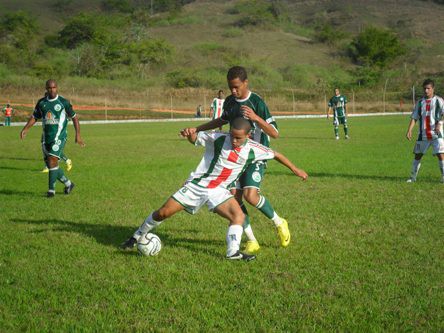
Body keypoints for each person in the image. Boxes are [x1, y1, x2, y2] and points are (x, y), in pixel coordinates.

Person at [121, 117, 308, 261]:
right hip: (197, 185)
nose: (233, 140)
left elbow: (276, 154)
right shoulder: (218, 138)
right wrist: (190, 134)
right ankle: (136, 236)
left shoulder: (253, 149)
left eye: (238, 138)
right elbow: (196, 139)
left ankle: (232, 252)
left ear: (248, 136)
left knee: (238, 216)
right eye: (232, 136)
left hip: (219, 191)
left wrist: (295, 169)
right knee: (163, 213)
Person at [180, 66, 289, 255]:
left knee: (250, 196)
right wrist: (197, 129)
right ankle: (252, 240)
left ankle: (279, 222)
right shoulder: (230, 102)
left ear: (246, 83)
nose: (233, 91)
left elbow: (275, 133)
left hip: (255, 155)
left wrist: (256, 118)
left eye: (237, 87)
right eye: (231, 87)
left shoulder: (257, 102)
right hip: (234, 156)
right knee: (234, 197)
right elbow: (221, 121)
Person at [20, 79, 85, 197]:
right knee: (51, 164)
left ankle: (51, 191)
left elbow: (74, 117)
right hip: (46, 138)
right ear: (46, 89)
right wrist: (26, 128)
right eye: (49, 88)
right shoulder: (41, 103)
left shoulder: (63, 102)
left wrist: (78, 135)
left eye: (54, 87)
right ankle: (69, 184)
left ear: (57, 88)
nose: (52, 90)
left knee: (52, 160)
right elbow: (35, 117)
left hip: (59, 137)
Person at [406, 78, 444, 183]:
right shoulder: (420, 102)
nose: (426, 91)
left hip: (437, 134)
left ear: (433, 89)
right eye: (424, 89)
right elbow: (414, 117)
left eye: (428, 88)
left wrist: (440, 123)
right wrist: (409, 130)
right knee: (417, 156)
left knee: (441, 155)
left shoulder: (439, 101)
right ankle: (412, 178)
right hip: (423, 135)